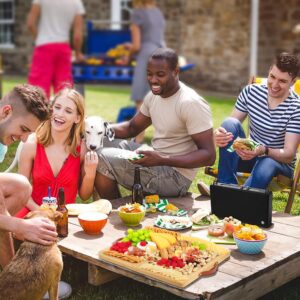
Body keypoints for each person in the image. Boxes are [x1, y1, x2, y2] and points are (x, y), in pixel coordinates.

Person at [95, 48, 215, 200]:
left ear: (175, 71)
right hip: (157, 160)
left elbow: (209, 155)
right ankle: (118, 208)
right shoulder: (154, 96)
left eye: (160, 74)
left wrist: (162, 159)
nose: (153, 80)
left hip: (175, 177)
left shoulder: (190, 103)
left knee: (100, 157)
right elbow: (132, 128)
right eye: (149, 74)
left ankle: (115, 209)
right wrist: (97, 128)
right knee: (98, 140)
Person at [215, 52, 300, 189]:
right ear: (269, 71)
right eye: (272, 77)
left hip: (277, 164)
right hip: (249, 157)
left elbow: (289, 154)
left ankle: (238, 199)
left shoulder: (296, 107)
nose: (275, 85)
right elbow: (231, 126)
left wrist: (264, 150)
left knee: (267, 161)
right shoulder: (251, 92)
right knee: (228, 124)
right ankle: (226, 187)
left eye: (282, 81)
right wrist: (219, 134)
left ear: (293, 82)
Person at [16, 88, 98, 218]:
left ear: (77, 118)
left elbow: (84, 196)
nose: (60, 114)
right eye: (57, 107)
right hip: (32, 210)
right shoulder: (32, 144)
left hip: (64, 216)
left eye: (68, 111)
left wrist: (90, 173)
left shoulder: (82, 149)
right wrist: (41, 213)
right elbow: (20, 191)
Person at [0, 84, 55, 269]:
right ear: (6, 112)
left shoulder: (2, 143)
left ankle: (10, 277)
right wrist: (20, 226)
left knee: (21, 186)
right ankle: (14, 282)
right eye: (23, 129)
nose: (24, 139)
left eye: (29, 133)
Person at [125, 0, 166, 143]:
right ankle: (166, 141)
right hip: (162, 55)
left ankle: (137, 141)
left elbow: (136, 46)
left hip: (147, 56)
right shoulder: (158, 12)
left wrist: (127, 57)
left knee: (141, 99)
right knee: (160, 98)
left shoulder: (138, 13)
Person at [27, 0, 85, 99]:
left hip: (43, 47)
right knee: (64, 92)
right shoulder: (76, 2)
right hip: (63, 48)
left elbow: (30, 24)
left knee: (37, 93)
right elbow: (77, 36)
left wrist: (40, 39)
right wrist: (78, 53)